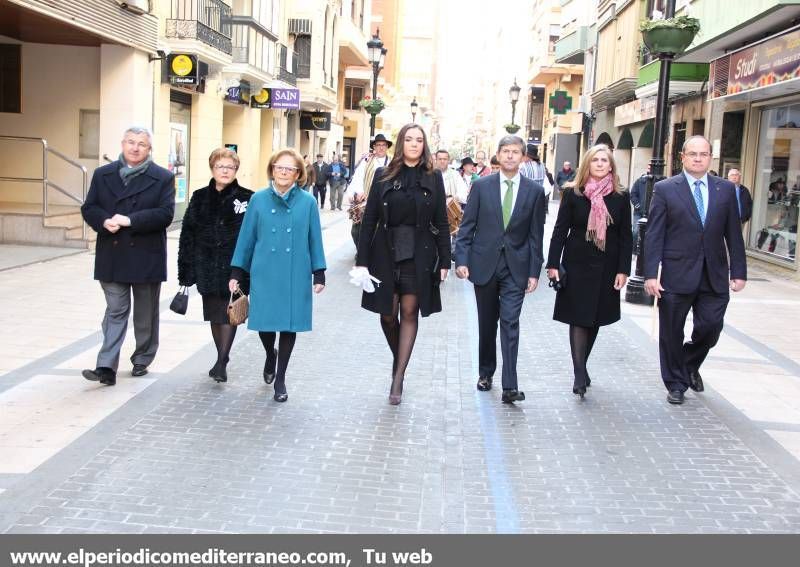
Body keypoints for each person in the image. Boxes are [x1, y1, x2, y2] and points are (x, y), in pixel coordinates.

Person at [644, 136, 747, 405]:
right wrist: (651, 273)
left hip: (713, 273)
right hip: (677, 273)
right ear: (683, 157)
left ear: (710, 157)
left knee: (711, 327)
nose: (698, 158)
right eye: (693, 154)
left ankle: (689, 362)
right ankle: (676, 383)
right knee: (671, 332)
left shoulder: (725, 190)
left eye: (703, 154)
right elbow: (654, 233)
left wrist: (739, 271)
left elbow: (733, 234)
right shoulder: (666, 189)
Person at [355, 124, 451, 405]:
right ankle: (400, 360)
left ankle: (398, 377)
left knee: (409, 311)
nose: (414, 144)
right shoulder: (384, 175)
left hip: (419, 253)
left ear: (424, 145)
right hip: (385, 252)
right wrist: (362, 262)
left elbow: (442, 222)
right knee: (387, 313)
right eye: (408, 139)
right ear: (401, 143)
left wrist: (445, 259)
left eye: (419, 140)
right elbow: (369, 219)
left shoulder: (433, 177)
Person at [229, 149, 326, 402]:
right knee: (265, 323)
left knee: (289, 324)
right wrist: (237, 271)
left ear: (298, 174)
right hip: (265, 270)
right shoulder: (258, 200)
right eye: (279, 167)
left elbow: (314, 238)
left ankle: (280, 378)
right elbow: (246, 238)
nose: (283, 172)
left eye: (290, 168)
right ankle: (270, 355)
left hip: (295, 271)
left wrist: (319, 273)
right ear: (272, 169)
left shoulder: (308, 202)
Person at [454, 135, 546, 404]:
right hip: (484, 265)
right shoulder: (482, 186)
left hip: (516, 268)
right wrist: (461, 260)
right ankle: (485, 372)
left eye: (515, 152)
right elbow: (467, 226)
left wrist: (533, 272)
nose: (510, 156)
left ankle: (510, 385)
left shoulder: (534, 191)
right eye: (505, 151)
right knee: (487, 323)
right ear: (498, 155)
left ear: (523, 157)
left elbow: (535, 235)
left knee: (510, 322)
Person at [80, 126, 175, 386]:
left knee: (145, 313)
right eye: (131, 142)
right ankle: (106, 366)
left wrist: (130, 220)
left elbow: (166, 214)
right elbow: (89, 207)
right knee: (116, 309)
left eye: (141, 144)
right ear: (122, 144)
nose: (135, 148)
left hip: (146, 255)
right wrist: (103, 221)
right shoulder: (103, 174)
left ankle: (142, 358)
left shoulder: (162, 177)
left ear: (149, 149)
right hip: (112, 253)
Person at [545, 145, 632, 399]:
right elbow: (560, 230)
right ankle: (579, 371)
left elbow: (626, 236)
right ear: (587, 164)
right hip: (577, 263)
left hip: (607, 265)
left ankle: (582, 365)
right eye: (596, 160)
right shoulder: (573, 193)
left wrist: (623, 270)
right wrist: (553, 264)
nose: (601, 164)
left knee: (595, 318)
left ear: (611, 166)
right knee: (579, 317)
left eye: (605, 160)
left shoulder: (620, 196)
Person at [177, 148, 253, 383]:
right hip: (206, 264)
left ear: (236, 170)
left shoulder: (247, 197)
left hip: (235, 266)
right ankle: (222, 357)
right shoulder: (200, 196)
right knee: (214, 315)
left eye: (230, 167)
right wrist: (186, 272)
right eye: (220, 166)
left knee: (230, 314)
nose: (225, 171)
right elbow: (188, 233)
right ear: (212, 169)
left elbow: (252, 236)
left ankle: (221, 362)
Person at [348, 133, 393, 247]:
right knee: (356, 231)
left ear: (387, 147)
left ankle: (372, 254)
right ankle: (361, 251)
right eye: (378, 145)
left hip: (386, 202)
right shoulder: (366, 161)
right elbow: (357, 178)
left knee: (380, 232)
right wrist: (359, 192)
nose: (381, 147)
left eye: (383, 145)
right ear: (374, 147)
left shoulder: (393, 163)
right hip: (366, 202)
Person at [630, 164, 650, 243]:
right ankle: (634, 250)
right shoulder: (640, 181)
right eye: (649, 167)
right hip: (639, 212)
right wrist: (638, 205)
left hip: (652, 212)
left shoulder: (659, 182)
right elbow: (633, 194)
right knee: (636, 231)